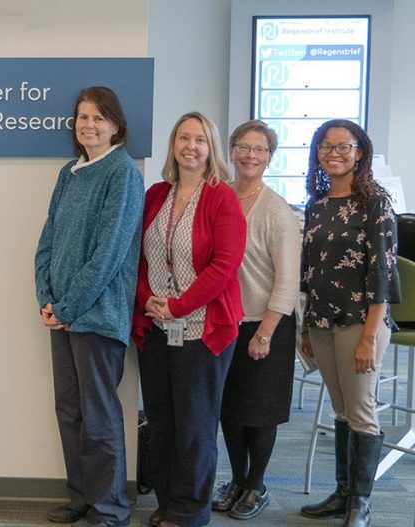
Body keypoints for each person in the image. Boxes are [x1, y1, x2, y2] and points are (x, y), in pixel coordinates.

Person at [34, 86, 143, 527]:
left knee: (99, 417)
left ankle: (109, 508)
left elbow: (109, 253)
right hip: (62, 315)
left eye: (98, 118)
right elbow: (48, 240)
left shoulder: (123, 172)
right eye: (82, 117)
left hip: (98, 317)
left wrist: (69, 307)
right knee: (70, 411)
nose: (89, 125)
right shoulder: (70, 172)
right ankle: (80, 498)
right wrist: (47, 299)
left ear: (116, 125)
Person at [131, 112, 246, 527]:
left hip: (203, 329)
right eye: (184, 137)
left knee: (195, 424)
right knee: (162, 421)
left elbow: (225, 265)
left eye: (200, 139)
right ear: (173, 144)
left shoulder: (222, 197)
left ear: (210, 148)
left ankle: (191, 510)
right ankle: (167, 501)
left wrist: (177, 305)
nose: (191, 146)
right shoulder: (156, 194)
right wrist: (148, 301)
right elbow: (139, 259)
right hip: (156, 327)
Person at [298, 120, 398, 527]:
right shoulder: (317, 204)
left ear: (360, 151)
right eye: (325, 146)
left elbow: (383, 275)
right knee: (341, 410)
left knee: (361, 412)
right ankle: (342, 494)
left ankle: (362, 502)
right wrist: (305, 326)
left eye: (343, 146)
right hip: (321, 320)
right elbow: (309, 272)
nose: (333, 152)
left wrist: (369, 338)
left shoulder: (376, 201)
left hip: (361, 322)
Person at [211, 120, 300, 521]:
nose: (251, 155)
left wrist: (264, 333)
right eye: (244, 147)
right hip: (225, 321)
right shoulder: (219, 197)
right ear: (230, 151)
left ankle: (257, 484)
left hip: (267, 324)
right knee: (230, 409)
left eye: (260, 149)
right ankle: (238, 478)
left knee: (259, 412)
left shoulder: (278, 211)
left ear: (269, 157)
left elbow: (287, 282)